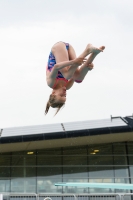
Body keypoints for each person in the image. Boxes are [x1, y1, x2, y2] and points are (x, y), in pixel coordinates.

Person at [45, 42, 105, 115]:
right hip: (69, 49)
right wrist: (87, 68)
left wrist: (73, 62)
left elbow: (56, 67)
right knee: (78, 79)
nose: (64, 93)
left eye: (61, 95)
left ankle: (87, 50)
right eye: (65, 96)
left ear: (53, 93)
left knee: (67, 75)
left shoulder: (51, 83)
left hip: (58, 48)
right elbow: (77, 73)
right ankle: (94, 53)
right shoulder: (67, 86)